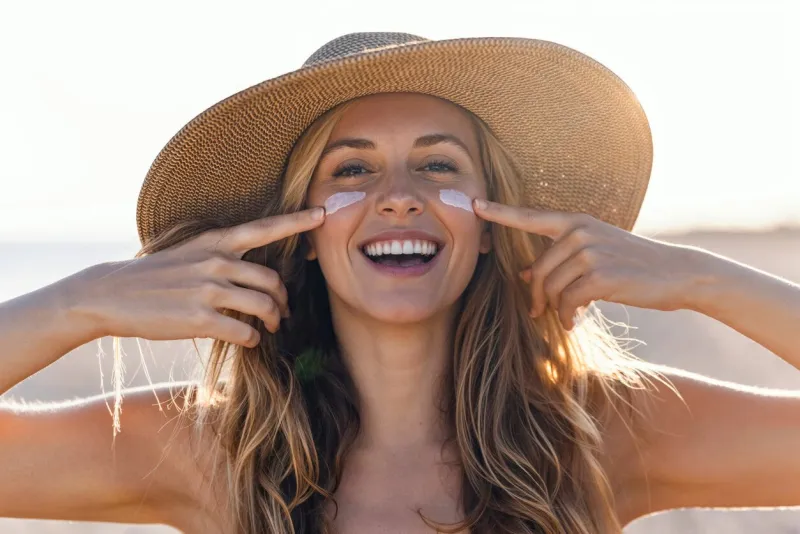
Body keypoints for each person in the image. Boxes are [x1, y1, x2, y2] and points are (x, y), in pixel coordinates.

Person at [1, 32, 799, 534]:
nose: (399, 195)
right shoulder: (209, 453)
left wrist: (703, 278)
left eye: (439, 164)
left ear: (491, 224)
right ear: (300, 234)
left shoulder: (605, 432)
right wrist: (84, 302)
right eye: (352, 169)